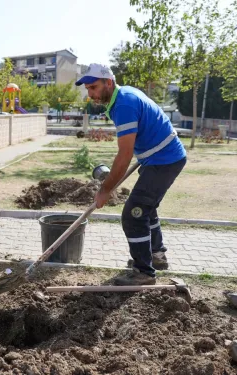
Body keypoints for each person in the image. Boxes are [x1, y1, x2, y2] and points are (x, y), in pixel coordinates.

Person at [75, 63, 187, 286]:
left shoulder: (124, 104)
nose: (91, 94)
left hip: (164, 160)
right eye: (88, 89)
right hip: (160, 157)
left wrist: (105, 189)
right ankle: (156, 256)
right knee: (146, 208)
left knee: (133, 215)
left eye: (94, 87)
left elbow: (124, 155)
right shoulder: (124, 95)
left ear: (108, 82)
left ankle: (143, 272)